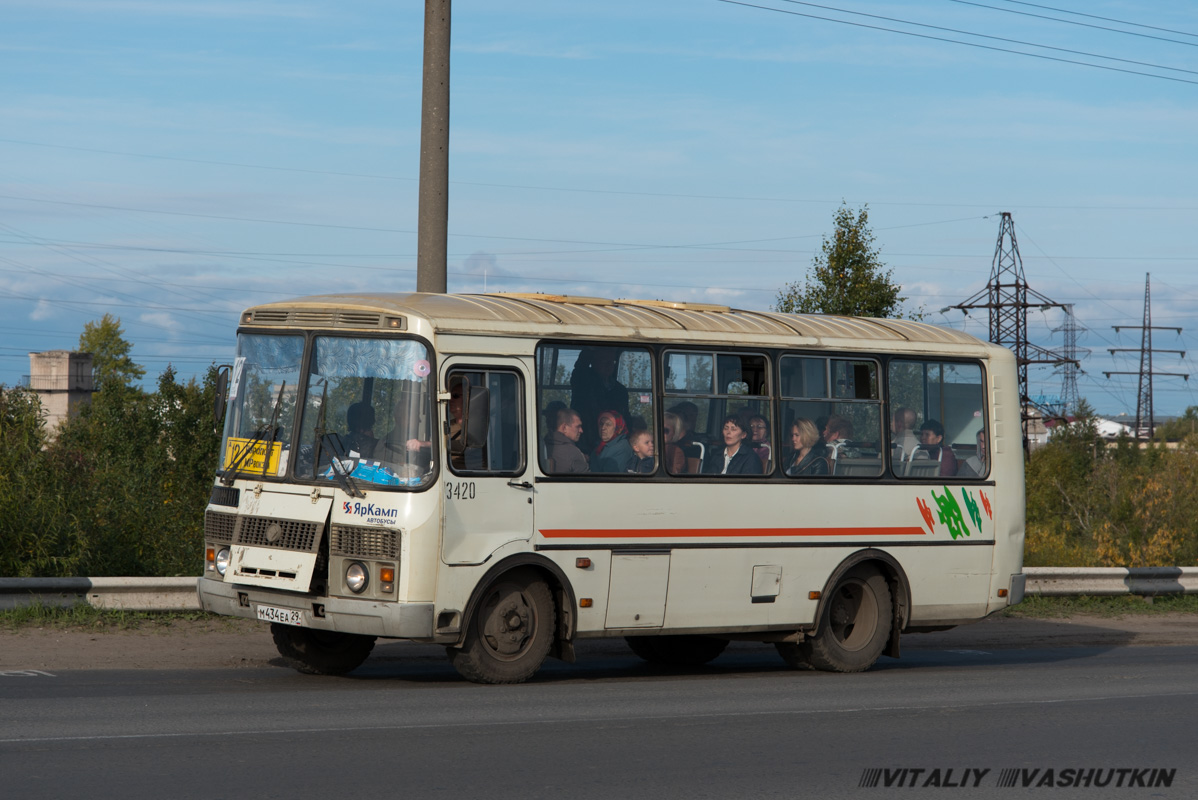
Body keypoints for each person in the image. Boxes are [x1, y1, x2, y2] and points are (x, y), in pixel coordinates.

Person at [570, 347, 629, 453]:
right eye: (603, 361)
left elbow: (625, 416)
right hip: (587, 440)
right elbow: (580, 367)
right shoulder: (584, 381)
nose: (608, 365)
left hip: (614, 442)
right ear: (593, 362)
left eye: (611, 361)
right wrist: (590, 347)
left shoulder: (621, 390)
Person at [546, 407, 589, 474]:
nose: (581, 430)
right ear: (564, 428)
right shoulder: (574, 453)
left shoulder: (543, 446)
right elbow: (587, 481)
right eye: (578, 426)